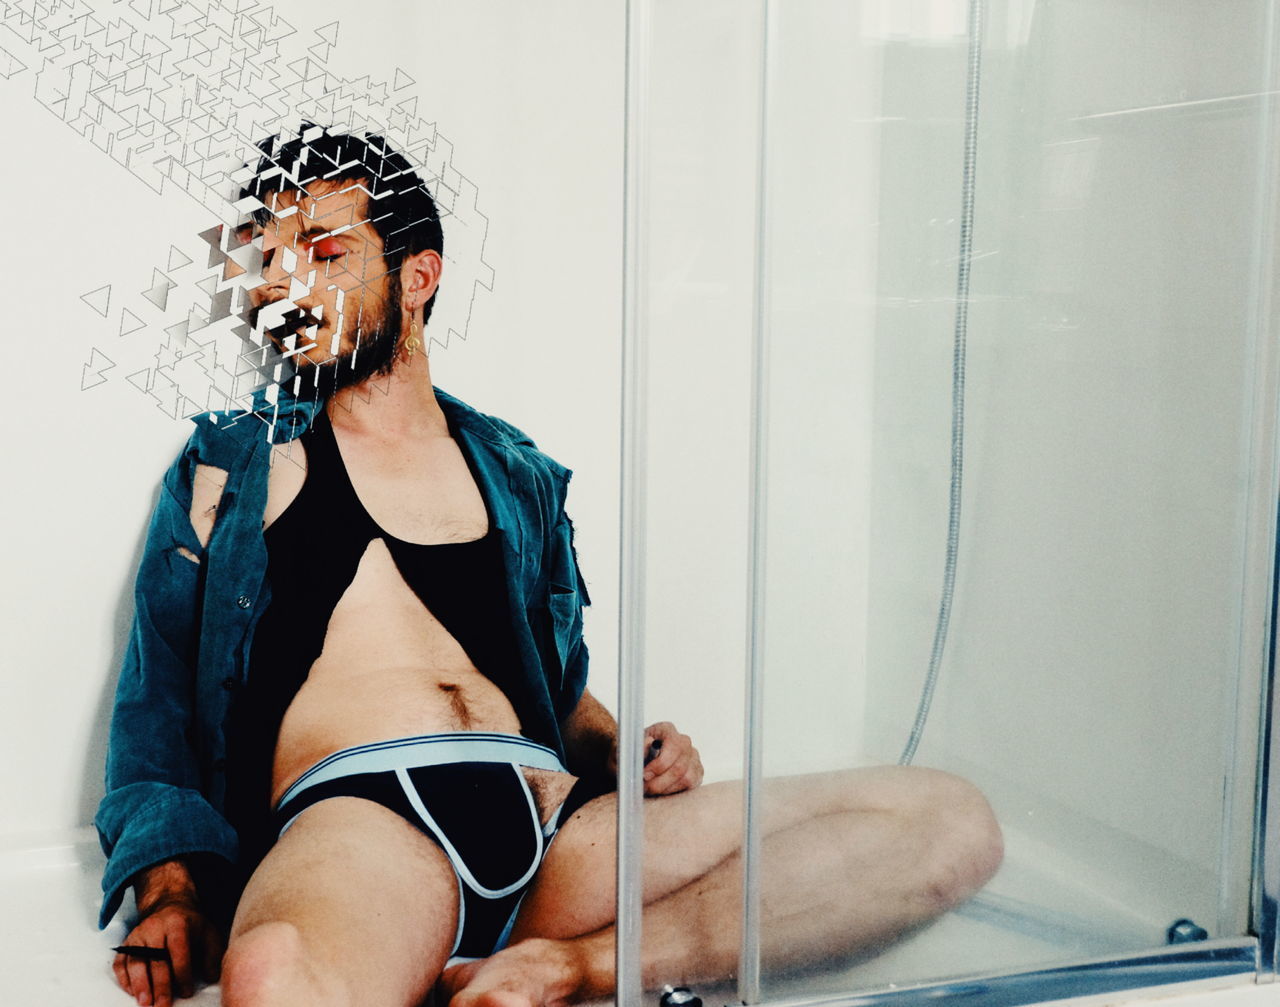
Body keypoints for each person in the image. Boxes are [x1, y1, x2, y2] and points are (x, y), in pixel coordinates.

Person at [96, 125, 1003, 1007]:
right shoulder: (233, 464)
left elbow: (557, 690)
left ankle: (576, 970)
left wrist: (628, 750)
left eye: (325, 255)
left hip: (556, 827)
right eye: (277, 262)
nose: (291, 286)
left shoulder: (516, 472)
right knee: (274, 977)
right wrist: (172, 888)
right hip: (363, 834)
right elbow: (159, 698)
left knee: (948, 822)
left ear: (419, 278)